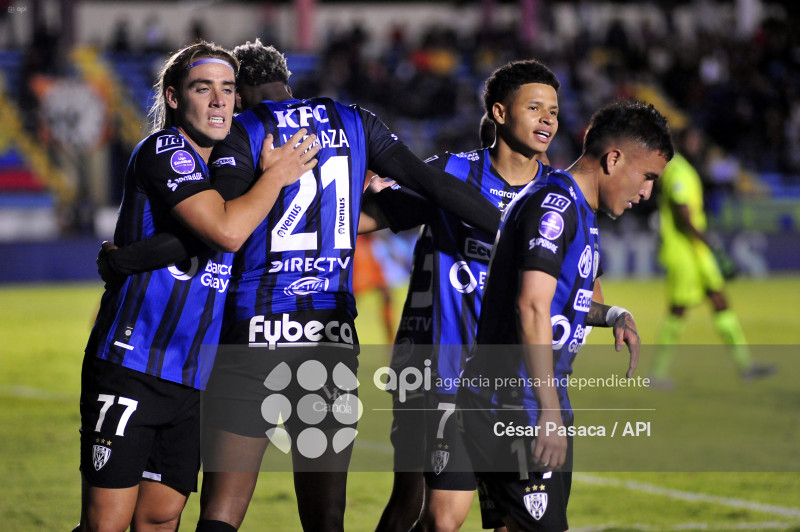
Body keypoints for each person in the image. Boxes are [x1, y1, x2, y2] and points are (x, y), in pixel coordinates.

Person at [98, 39, 501, 532]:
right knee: (326, 514)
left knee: (223, 511)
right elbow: (433, 188)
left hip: (254, 336)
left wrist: (129, 259)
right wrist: (507, 228)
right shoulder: (355, 121)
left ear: (239, 92)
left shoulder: (241, 133)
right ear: (286, 79)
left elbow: (214, 228)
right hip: (329, 339)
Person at [75, 41, 317, 532]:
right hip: (132, 362)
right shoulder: (167, 151)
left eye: (228, 89)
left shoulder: (230, 168)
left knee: (162, 518)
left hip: (192, 375)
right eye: (202, 89)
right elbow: (226, 232)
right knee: (108, 524)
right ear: (172, 97)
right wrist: (277, 178)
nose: (218, 101)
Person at [457, 99, 674, 531]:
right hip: (516, 405)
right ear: (613, 159)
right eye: (647, 176)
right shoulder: (555, 207)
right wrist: (549, 412)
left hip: (523, 402)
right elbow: (531, 305)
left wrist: (611, 314)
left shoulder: (576, 210)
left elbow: (557, 303)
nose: (647, 192)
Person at [373, 59, 560, 532]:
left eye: (554, 111)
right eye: (534, 107)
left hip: (512, 385)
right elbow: (365, 218)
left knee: (508, 519)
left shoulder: (556, 196)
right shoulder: (450, 174)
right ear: (499, 112)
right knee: (424, 509)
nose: (547, 119)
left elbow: (580, 285)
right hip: (436, 371)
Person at [650, 126, 775, 388]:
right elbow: (683, 216)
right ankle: (656, 373)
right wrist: (712, 244)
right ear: (680, 143)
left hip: (697, 250)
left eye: (698, 139)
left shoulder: (688, 169)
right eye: (691, 140)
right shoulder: (678, 171)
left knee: (720, 300)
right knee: (678, 309)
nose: (696, 144)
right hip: (684, 251)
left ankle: (746, 365)